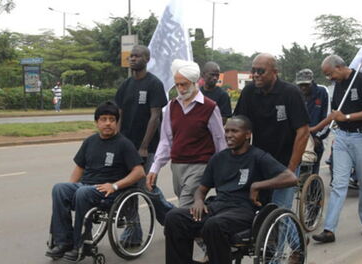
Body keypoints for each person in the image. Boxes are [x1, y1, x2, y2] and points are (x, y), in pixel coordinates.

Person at [164, 115, 298, 264]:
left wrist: (258, 185)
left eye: (234, 131)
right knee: (174, 217)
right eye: (226, 131)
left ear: (248, 134)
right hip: (218, 206)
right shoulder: (218, 159)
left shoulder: (258, 157)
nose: (229, 135)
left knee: (214, 225)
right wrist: (198, 201)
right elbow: (201, 189)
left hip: (245, 209)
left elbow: (291, 178)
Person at [45, 101, 145, 261]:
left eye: (112, 119)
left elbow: (139, 172)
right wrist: (71, 185)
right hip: (86, 187)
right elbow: (79, 167)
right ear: (97, 122)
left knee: (83, 192)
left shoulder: (124, 144)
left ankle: (82, 244)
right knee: (59, 189)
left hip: (110, 192)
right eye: (103, 119)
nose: (107, 123)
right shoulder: (90, 142)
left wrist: (114, 185)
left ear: (117, 122)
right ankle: (63, 242)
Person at [311, 55, 362, 243]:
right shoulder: (339, 85)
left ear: (340, 67)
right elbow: (336, 115)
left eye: (330, 74)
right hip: (342, 138)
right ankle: (329, 229)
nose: (329, 78)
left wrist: (348, 118)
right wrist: (314, 129)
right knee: (338, 184)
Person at [146, 59, 226, 207]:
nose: (181, 88)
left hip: (200, 165)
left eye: (184, 84)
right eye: (177, 84)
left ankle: (176, 228)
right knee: (188, 210)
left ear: (195, 82)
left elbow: (220, 140)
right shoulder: (172, 106)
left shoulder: (210, 107)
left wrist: (224, 169)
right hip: (177, 165)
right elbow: (166, 140)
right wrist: (155, 167)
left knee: (185, 205)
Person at [234, 53, 310, 209]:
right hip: (259, 162)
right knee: (257, 207)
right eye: (253, 70)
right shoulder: (249, 92)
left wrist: (291, 168)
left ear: (275, 72)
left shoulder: (291, 93)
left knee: (279, 211)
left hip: (285, 161)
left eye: (261, 71)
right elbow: (240, 127)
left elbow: (303, 132)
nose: (256, 75)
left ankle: (291, 234)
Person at [114, 45, 168, 172]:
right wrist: (116, 140)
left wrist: (144, 147)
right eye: (131, 56)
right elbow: (119, 114)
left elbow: (155, 117)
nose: (132, 59)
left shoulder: (154, 84)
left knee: (146, 185)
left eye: (137, 56)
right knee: (126, 184)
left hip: (147, 148)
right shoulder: (125, 85)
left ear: (147, 59)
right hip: (126, 145)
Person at [295, 68, 329, 174]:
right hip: (299, 136)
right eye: (301, 85)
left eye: (306, 84)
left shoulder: (322, 92)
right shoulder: (296, 93)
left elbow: (327, 117)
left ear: (312, 82)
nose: (303, 87)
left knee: (313, 169)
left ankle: (313, 188)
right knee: (297, 168)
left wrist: (318, 136)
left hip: (317, 137)